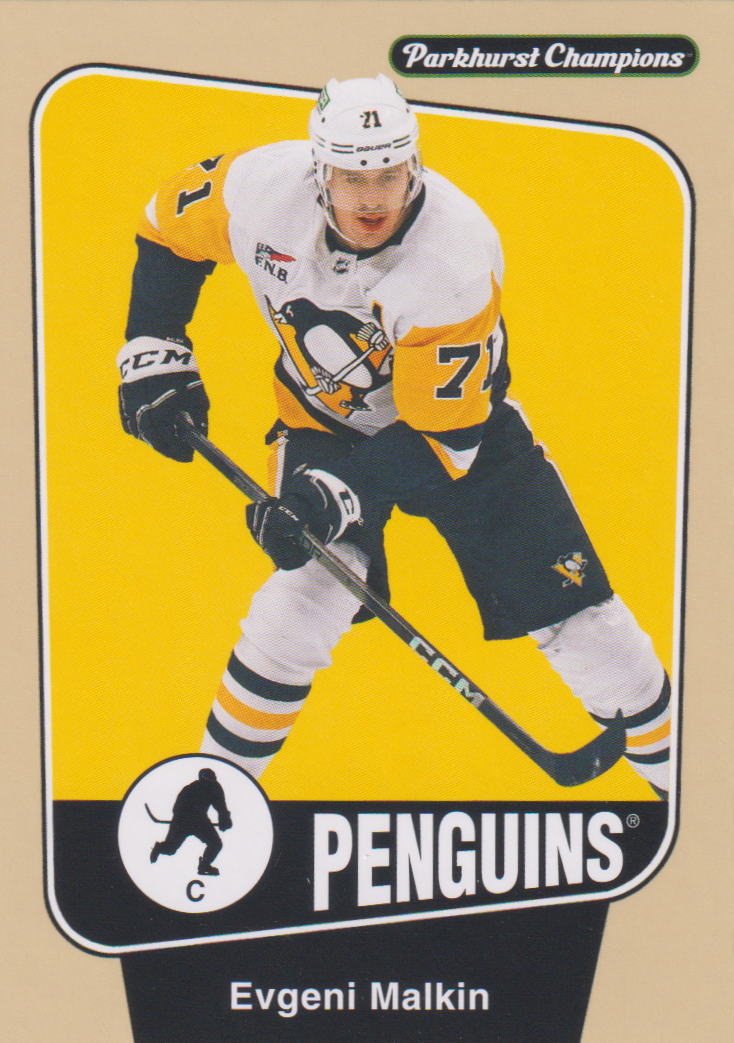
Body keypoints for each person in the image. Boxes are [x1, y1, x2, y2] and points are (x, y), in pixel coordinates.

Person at [118, 74, 670, 799]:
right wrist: (154, 345)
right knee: (295, 610)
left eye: (389, 175)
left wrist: (327, 499)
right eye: (352, 177)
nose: (372, 198)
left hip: (460, 434)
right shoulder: (260, 188)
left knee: (590, 630)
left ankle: (687, 792)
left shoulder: (455, 258)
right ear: (319, 170)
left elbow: (443, 441)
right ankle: (219, 793)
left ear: (415, 165)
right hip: (323, 422)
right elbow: (167, 228)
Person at [149, 767, 232, 876]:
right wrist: (224, 820)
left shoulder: (214, 788)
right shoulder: (191, 788)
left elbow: (221, 806)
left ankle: (205, 864)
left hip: (197, 821)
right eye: (206, 777)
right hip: (185, 821)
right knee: (171, 849)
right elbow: (177, 808)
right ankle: (159, 848)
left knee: (215, 844)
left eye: (210, 778)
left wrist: (224, 819)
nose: (208, 780)